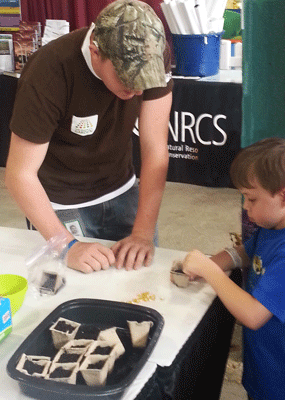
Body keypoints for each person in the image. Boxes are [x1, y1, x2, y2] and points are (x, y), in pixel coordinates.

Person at [5, 0, 173, 273]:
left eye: (144, 81)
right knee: (73, 289)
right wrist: (66, 245)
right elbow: (20, 174)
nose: (138, 91)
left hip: (121, 189)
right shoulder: (49, 71)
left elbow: (155, 149)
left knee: (140, 279)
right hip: (60, 203)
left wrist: (143, 231)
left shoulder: (152, 53)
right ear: (95, 51)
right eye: (128, 80)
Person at [182, 137, 285, 400]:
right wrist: (216, 262)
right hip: (263, 367)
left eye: (251, 199)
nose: (245, 207)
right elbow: (245, 253)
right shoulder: (272, 228)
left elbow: (252, 315)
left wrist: (209, 271)